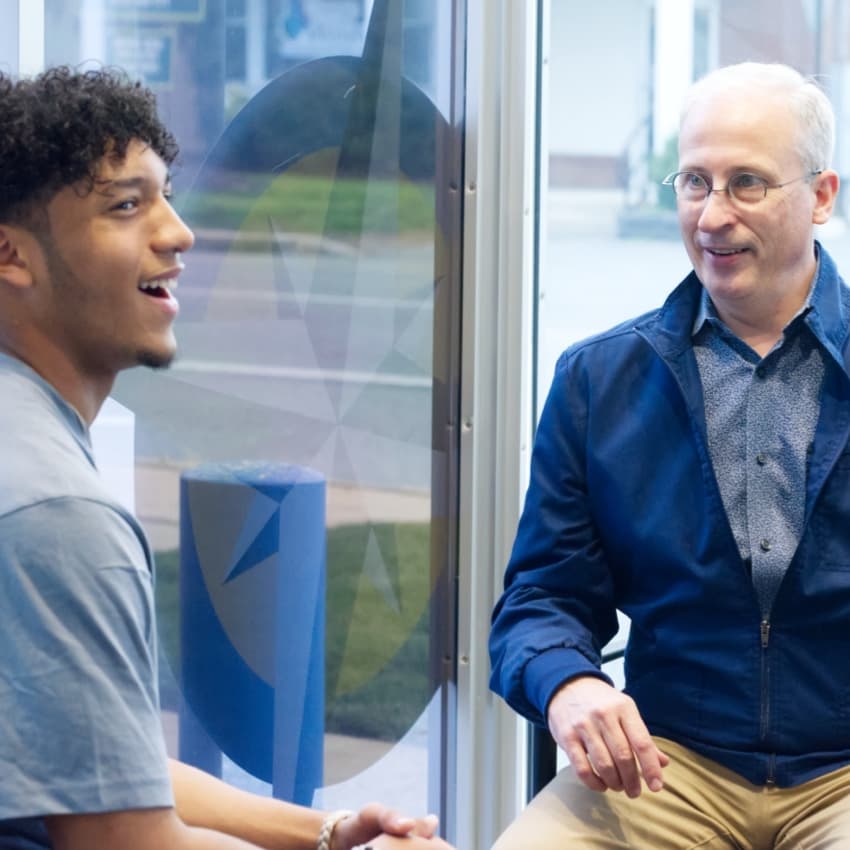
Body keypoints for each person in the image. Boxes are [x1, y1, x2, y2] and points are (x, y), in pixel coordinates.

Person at [0, 66, 454, 850]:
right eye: (126, 205)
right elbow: (125, 840)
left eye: (167, 195)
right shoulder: (59, 518)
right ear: (12, 256)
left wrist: (327, 830)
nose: (177, 233)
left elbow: (105, 764)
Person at [489, 61, 850, 849]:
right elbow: (541, 598)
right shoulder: (599, 381)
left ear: (822, 197)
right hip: (666, 766)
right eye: (695, 181)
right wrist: (571, 685)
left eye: (747, 183)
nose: (712, 216)